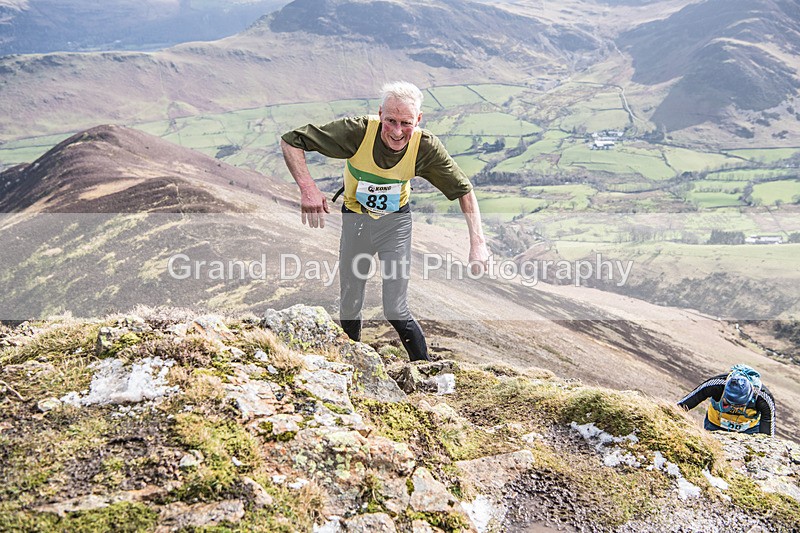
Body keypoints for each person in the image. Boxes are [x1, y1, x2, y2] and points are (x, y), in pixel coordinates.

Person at [280, 81, 489, 361]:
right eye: (390, 120)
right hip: (357, 222)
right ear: (380, 114)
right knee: (351, 302)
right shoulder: (356, 132)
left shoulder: (424, 147)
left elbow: (464, 190)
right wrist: (307, 188)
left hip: (395, 224)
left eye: (406, 123)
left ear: (418, 120)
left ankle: (423, 370)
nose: (397, 131)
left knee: (395, 308)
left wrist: (478, 243)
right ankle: (351, 364)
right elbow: (291, 140)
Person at [677, 364, 776, 436]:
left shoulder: (763, 397)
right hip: (715, 424)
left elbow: (767, 433)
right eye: (727, 403)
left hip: (749, 430)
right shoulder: (716, 384)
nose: (733, 408)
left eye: (739, 405)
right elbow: (688, 402)